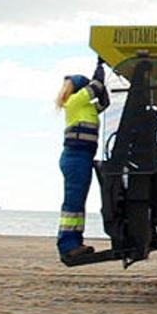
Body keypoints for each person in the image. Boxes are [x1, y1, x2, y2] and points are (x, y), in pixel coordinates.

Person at [55, 56, 109, 261]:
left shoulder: (85, 107)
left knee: (77, 203)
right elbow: (96, 86)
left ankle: (74, 242)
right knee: (73, 204)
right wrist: (100, 66)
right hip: (76, 158)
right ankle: (68, 245)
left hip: (81, 158)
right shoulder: (75, 101)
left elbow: (103, 101)